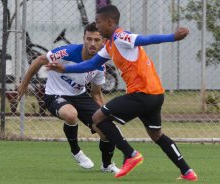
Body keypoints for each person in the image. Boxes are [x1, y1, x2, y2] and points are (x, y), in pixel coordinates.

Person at [46, 5, 198, 182]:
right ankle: (187, 171)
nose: (98, 25)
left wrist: (173, 37)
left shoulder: (120, 36)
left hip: (141, 94)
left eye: (99, 22)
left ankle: (130, 154)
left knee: (98, 118)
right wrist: (64, 68)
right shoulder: (109, 45)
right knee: (157, 135)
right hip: (156, 95)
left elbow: (145, 39)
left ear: (110, 22)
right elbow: (90, 65)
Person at [18, 22, 120, 173]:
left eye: (96, 40)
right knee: (71, 114)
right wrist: (24, 83)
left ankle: (107, 165)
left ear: (103, 42)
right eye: (89, 39)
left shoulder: (100, 64)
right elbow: (40, 60)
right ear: (83, 38)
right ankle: (76, 151)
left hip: (80, 96)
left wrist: (104, 114)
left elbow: (96, 93)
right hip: (55, 95)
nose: (92, 43)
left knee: (107, 130)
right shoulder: (67, 52)